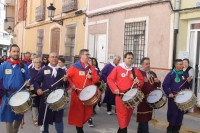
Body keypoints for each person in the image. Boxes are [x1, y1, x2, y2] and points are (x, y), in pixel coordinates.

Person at [107, 52, 144, 133]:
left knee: (127, 116)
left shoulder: (135, 70)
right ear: (124, 59)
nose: (130, 60)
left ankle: (122, 129)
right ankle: (124, 130)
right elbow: (110, 79)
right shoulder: (118, 68)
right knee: (122, 115)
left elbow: (141, 81)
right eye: (128, 58)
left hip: (131, 97)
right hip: (121, 96)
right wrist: (114, 89)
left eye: (131, 58)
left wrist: (138, 82)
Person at [34, 52, 69, 133]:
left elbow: (66, 85)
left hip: (58, 99)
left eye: (56, 57)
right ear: (49, 59)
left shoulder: (62, 71)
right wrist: (38, 89)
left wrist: (65, 81)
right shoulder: (43, 69)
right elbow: (36, 81)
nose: (54, 58)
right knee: (45, 118)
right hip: (46, 98)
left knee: (58, 119)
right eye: (52, 57)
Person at [67, 49, 99, 133]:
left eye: (89, 54)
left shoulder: (91, 68)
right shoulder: (74, 67)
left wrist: (91, 77)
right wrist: (71, 85)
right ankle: (80, 129)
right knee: (78, 113)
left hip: (88, 94)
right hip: (77, 94)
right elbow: (68, 77)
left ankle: (81, 126)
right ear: (81, 56)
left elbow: (96, 80)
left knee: (87, 113)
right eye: (86, 54)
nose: (88, 56)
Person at [0, 44, 30, 133]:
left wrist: (28, 82)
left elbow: (28, 78)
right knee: (8, 119)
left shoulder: (23, 66)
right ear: (10, 52)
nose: (16, 53)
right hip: (8, 96)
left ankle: (15, 131)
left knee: (18, 118)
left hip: (20, 96)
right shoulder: (3, 65)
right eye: (14, 51)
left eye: (17, 51)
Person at [162, 59, 192, 133]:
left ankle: (176, 130)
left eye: (183, 64)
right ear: (176, 65)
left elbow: (188, 85)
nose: (183, 65)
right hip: (173, 97)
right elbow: (165, 85)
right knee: (173, 114)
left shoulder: (184, 74)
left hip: (182, 98)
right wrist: (169, 93)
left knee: (180, 115)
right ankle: (170, 130)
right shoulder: (170, 74)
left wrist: (188, 82)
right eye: (181, 64)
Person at [137, 57, 161, 133]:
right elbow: (135, 85)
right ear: (142, 64)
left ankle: (140, 131)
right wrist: (141, 82)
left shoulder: (152, 73)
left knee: (146, 117)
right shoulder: (138, 73)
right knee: (143, 116)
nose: (148, 65)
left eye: (149, 63)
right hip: (142, 99)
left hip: (151, 100)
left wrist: (158, 81)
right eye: (146, 64)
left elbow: (158, 85)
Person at [29, 58, 42, 126]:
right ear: (33, 63)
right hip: (33, 90)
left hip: (42, 90)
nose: (38, 63)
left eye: (39, 62)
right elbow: (29, 79)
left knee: (41, 104)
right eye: (36, 62)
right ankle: (35, 119)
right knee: (35, 105)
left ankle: (38, 117)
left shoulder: (43, 70)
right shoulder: (30, 71)